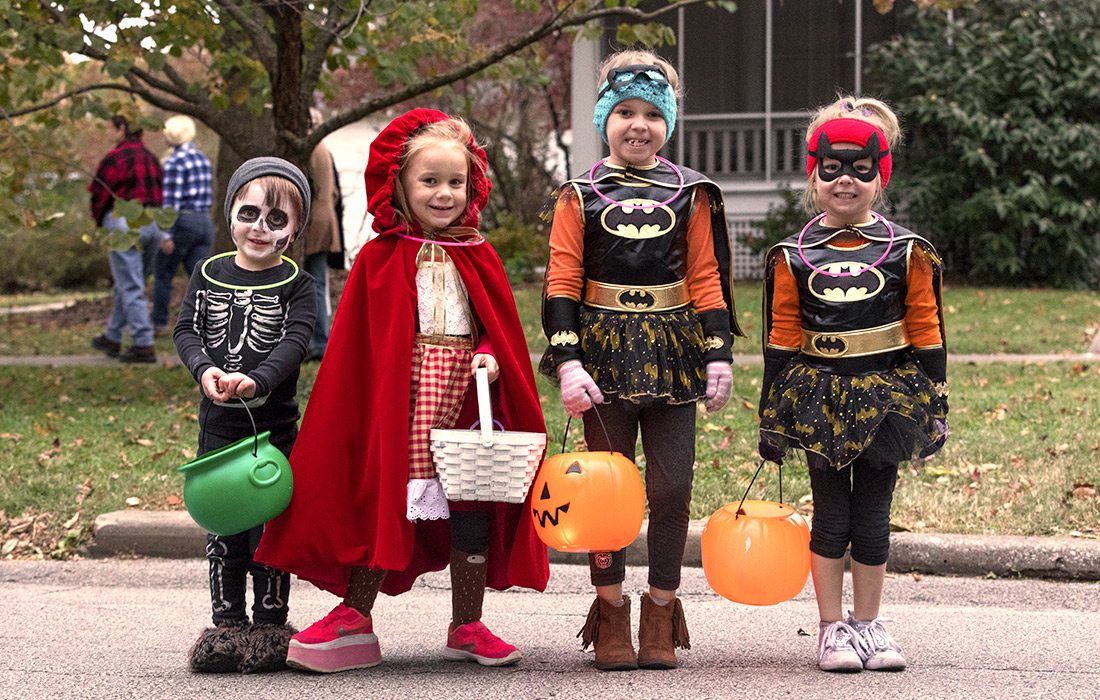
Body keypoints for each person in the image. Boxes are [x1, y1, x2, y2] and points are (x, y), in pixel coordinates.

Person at [255, 109, 548, 673]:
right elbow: (362, 348)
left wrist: (489, 358)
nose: (444, 194)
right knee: (385, 500)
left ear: (473, 185)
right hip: (401, 402)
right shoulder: (379, 258)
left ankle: (467, 623)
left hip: (465, 401)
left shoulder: (479, 255)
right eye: (429, 181)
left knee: (471, 505)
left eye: (455, 182)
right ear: (399, 184)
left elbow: (496, 332)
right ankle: (355, 617)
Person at [541, 50, 741, 671]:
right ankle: (609, 611)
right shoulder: (579, 195)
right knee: (607, 490)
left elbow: (707, 277)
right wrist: (568, 361)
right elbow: (561, 281)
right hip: (599, 351)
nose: (638, 125)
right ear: (604, 118)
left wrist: (719, 355)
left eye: (653, 114)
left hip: (673, 350)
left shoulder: (692, 193)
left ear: (670, 122)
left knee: (671, 484)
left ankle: (662, 606)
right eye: (624, 111)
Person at [757, 96, 949, 673]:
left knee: (873, 515)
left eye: (861, 171)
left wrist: (935, 402)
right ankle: (830, 628)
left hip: (887, 399)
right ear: (812, 174)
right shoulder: (792, 256)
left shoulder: (907, 251)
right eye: (832, 170)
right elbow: (781, 336)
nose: (845, 182)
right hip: (818, 400)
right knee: (831, 516)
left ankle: (869, 624)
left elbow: (926, 327)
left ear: (880, 176)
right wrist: (771, 414)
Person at [174, 157, 317, 674]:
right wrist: (204, 368)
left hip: (273, 432)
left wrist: (259, 379)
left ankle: (271, 628)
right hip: (218, 427)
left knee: (270, 533)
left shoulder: (298, 284)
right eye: (249, 213)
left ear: (296, 228)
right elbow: (186, 331)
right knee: (223, 531)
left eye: (276, 219)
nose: (260, 227)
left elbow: (296, 340)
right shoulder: (206, 273)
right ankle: (225, 628)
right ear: (230, 212)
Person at [88, 115, 164, 364]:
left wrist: (100, 222)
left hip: (122, 222)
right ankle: (113, 335)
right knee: (131, 282)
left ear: (122, 129)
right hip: (151, 223)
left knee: (131, 286)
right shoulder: (151, 158)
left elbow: (99, 194)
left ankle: (144, 344)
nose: (111, 132)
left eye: (112, 128)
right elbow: (161, 192)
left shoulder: (115, 158)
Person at [152, 115, 215, 337]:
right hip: (204, 221)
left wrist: (165, 234)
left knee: (163, 273)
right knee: (201, 278)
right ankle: (212, 326)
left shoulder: (174, 162)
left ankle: (159, 324)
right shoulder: (202, 159)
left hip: (183, 222)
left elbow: (170, 202)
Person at [301, 108, 343, 361]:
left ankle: (318, 342)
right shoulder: (324, 148)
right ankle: (318, 340)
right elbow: (335, 191)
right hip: (325, 219)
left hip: (312, 222)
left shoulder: (309, 149)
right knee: (317, 282)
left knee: (311, 283)